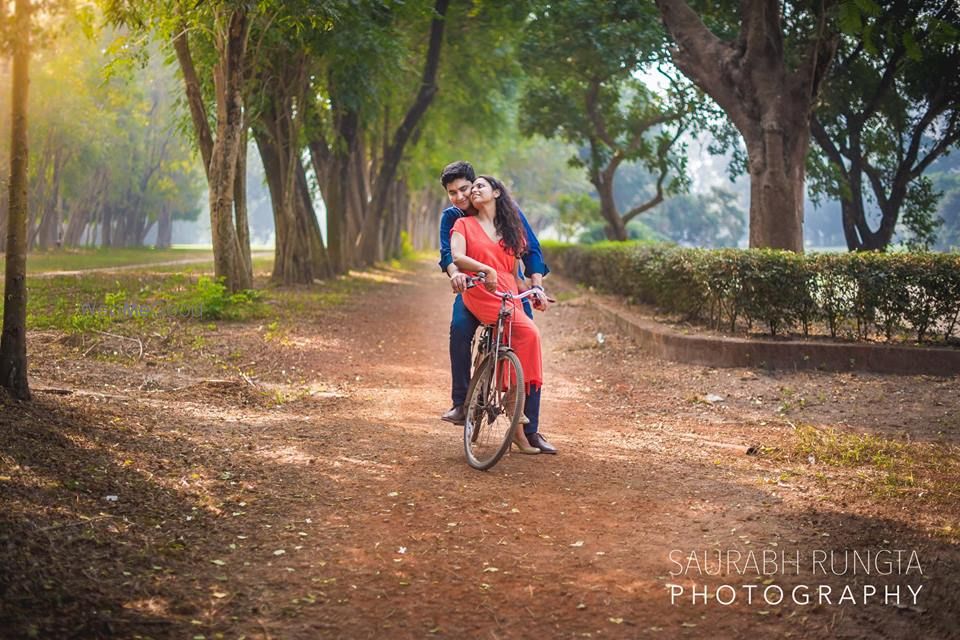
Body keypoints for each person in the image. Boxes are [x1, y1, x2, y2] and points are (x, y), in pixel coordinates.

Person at [448, 174, 555, 454]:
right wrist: (484, 271)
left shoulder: (511, 225)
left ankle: (518, 414)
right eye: (460, 191)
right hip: (481, 288)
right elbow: (453, 255)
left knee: (527, 338)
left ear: (497, 192)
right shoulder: (460, 221)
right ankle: (462, 402)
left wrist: (536, 289)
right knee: (463, 329)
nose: (469, 193)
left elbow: (527, 256)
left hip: (508, 291)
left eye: (475, 187)